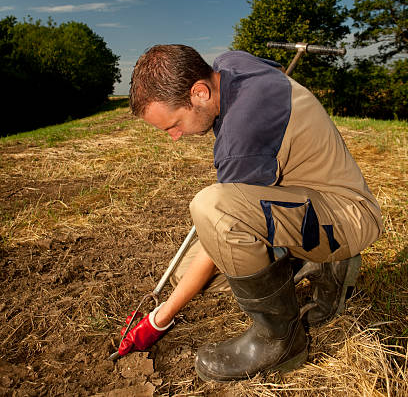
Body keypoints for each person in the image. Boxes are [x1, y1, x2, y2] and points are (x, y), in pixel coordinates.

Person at [118, 44, 382, 383]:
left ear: (199, 92)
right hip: (309, 200)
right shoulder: (230, 64)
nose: (174, 137)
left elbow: (222, 224)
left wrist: (160, 317)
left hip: (347, 217)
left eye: (174, 124)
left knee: (211, 209)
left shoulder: (241, 139)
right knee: (186, 274)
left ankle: (280, 339)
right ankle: (316, 262)